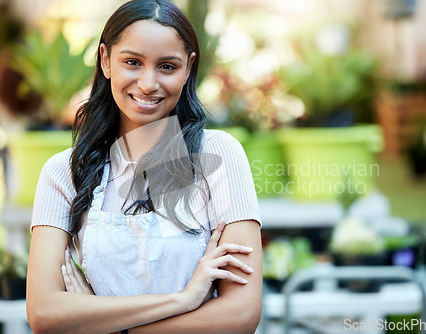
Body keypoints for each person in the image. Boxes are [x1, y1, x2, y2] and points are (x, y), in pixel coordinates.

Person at [26, 1, 263, 333]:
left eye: (167, 66)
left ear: (188, 68)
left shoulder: (218, 155)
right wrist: (182, 299)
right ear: (106, 60)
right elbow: (43, 312)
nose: (149, 83)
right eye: (132, 62)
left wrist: (113, 327)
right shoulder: (65, 172)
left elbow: (241, 313)